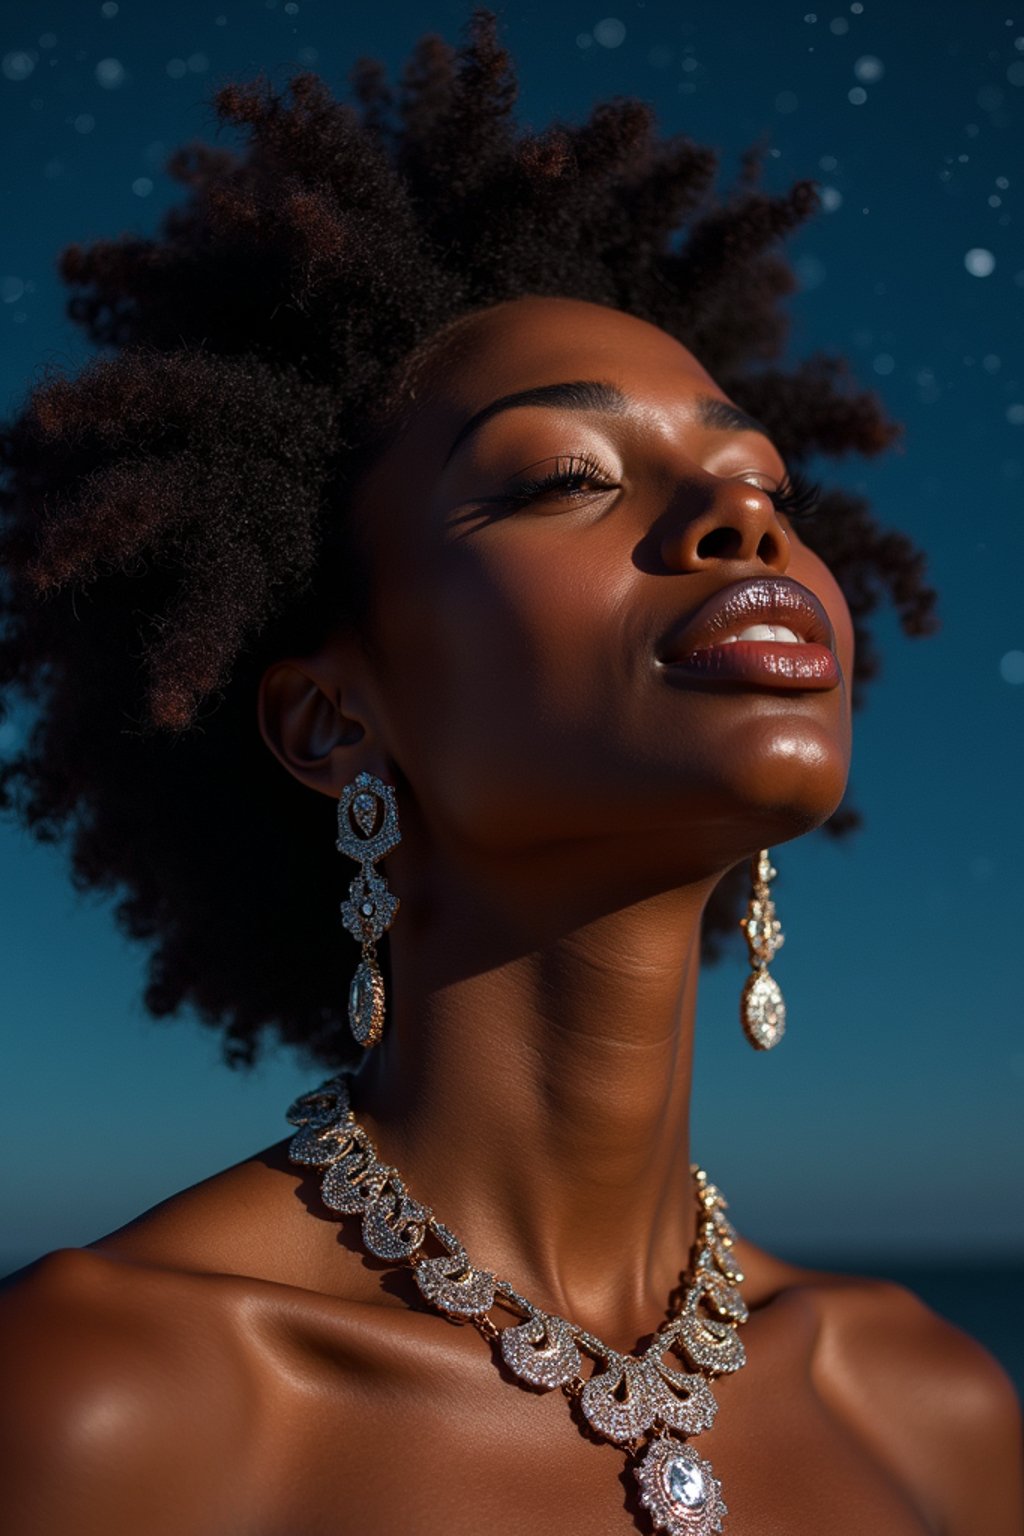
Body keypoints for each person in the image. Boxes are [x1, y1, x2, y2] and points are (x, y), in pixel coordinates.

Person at [1, 13, 1020, 1534]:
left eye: (760, 487)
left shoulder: (938, 1411)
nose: (744, 529)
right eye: (565, 479)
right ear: (331, 721)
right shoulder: (106, 1402)